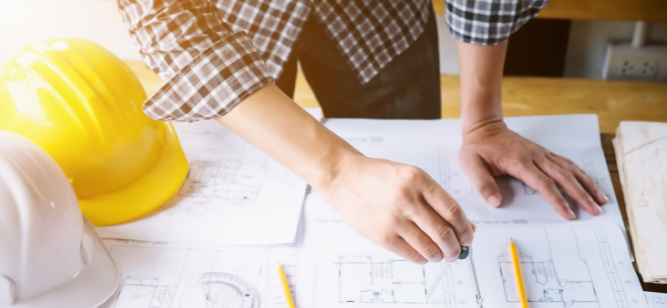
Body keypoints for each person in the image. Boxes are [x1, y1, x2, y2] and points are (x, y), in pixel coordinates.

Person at [118, 0, 608, 264]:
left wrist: (483, 120)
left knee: (405, 174)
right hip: (229, 19)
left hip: (380, 19)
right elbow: (160, 8)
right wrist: (338, 172)